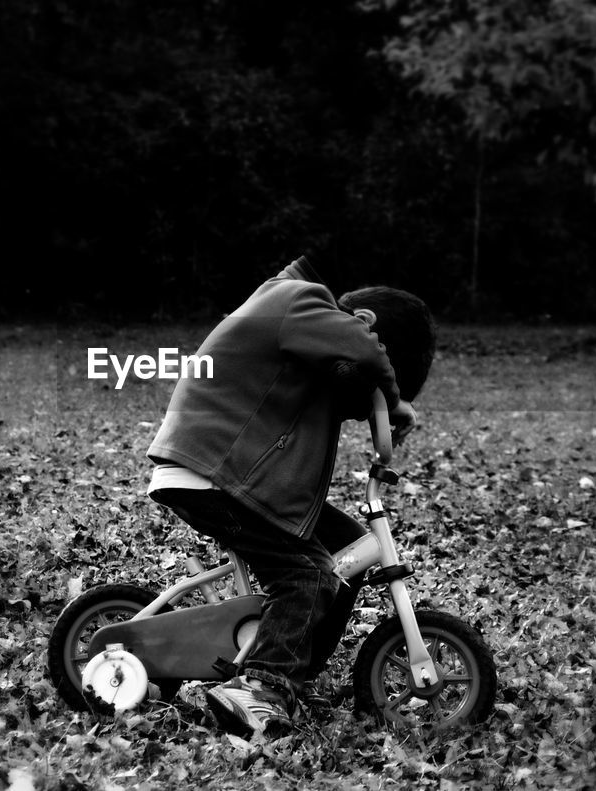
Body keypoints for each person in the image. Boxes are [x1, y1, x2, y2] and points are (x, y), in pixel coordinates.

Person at [146, 256, 436, 736]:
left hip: (244, 478)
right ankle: (259, 686)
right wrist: (391, 389)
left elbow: (344, 388)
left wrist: (379, 406)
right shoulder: (295, 300)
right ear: (364, 325)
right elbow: (361, 354)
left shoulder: (308, 349)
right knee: (307, 575)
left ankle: (291, 673)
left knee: (348, 550)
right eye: (380, 353)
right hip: (217, 471)